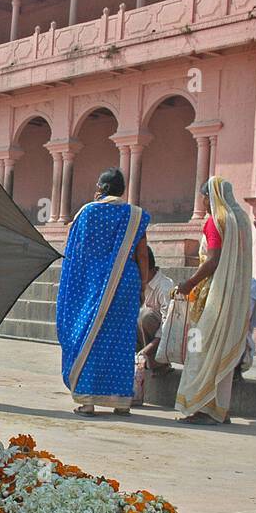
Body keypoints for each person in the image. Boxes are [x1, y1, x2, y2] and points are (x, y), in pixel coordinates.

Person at [56, 168, 151, 416]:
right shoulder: (135, 215)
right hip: (125, 284)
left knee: (90, 335)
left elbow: (76, 254)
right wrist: (142, 285)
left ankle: (88, 401)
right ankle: (121, 402)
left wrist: (74, 288)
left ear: (101, 188)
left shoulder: (87, 212)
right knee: (122, 340)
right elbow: (142, 254)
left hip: (92, 284)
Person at [174, 176, 253, 423]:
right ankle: (220, 409)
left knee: (199, 348)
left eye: (205, 197)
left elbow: (213, 259)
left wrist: (189, 283)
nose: (204, 203)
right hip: (236, 297)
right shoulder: (241, 220)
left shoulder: (215, 220)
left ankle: (201, 406)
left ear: (211, 196)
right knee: (221, 350)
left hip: (213, 295)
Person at [137, 246, 175, 369]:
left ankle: (157, 363)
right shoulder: (138, 284)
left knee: (145, 316)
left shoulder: (165, 287)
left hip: (163, 342)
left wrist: (145, 351)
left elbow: (168, 327)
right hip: (141, 343)